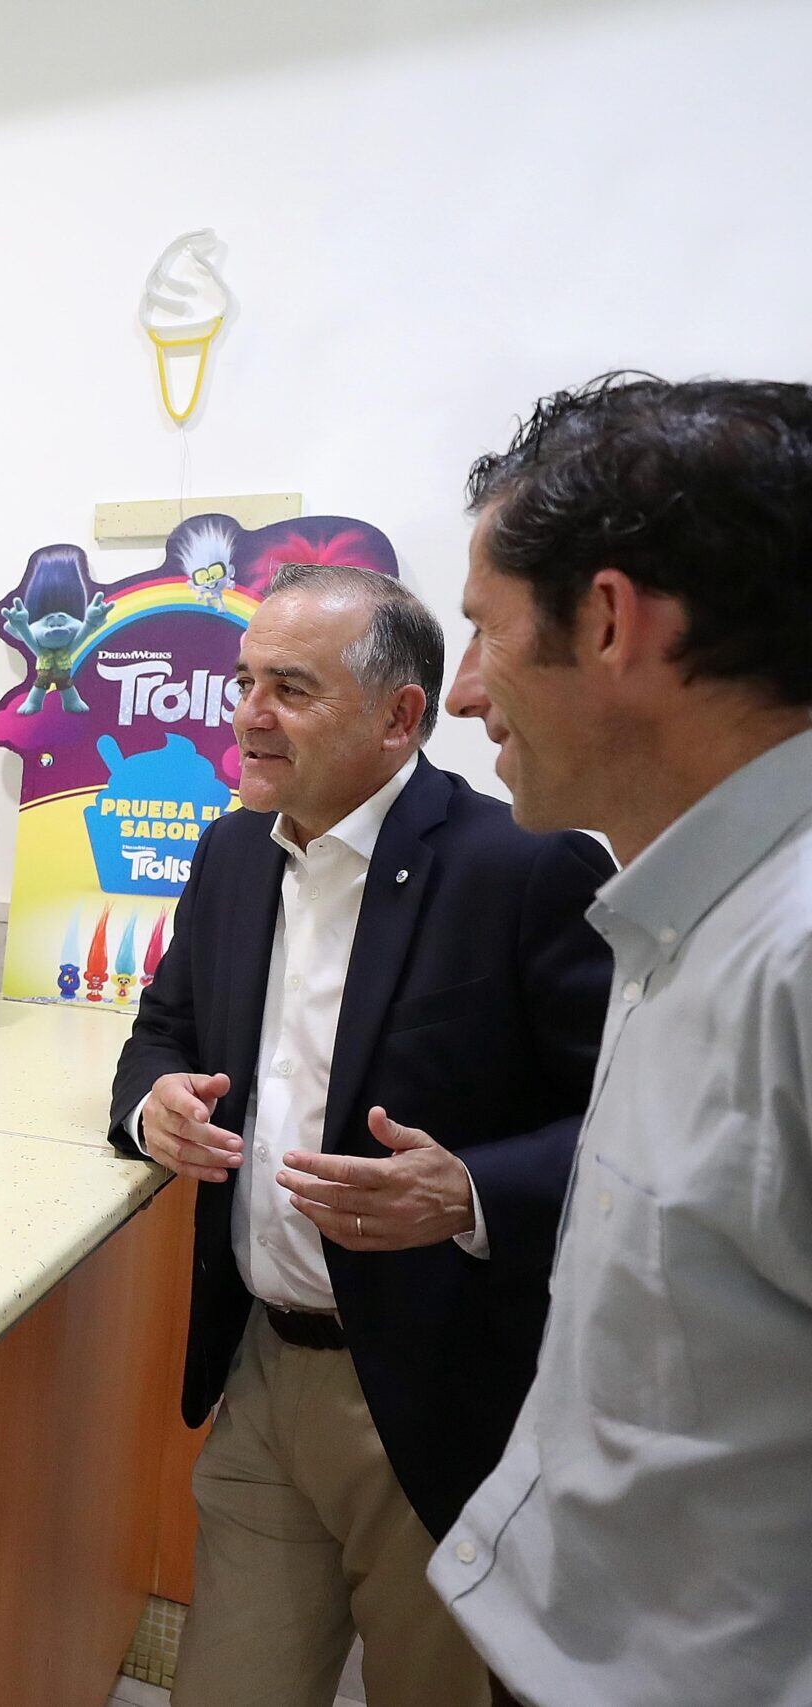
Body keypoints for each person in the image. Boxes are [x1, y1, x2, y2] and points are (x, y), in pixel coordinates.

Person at [108, 565, 613, 1707]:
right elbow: (160, 1030)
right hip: (258, 1372)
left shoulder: (524, 868)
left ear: (400, 717)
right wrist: (157, 1107)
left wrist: (471, 1190)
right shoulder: (230, 853)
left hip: (439, 1403)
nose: (246, 713)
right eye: (242, 681)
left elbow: (630, 1119)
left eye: (290, 686)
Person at [427, 376, 812, 1707]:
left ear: (606, 622)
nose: (464, 692)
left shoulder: (794, 956)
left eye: (482, 632)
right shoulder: (678, 915)